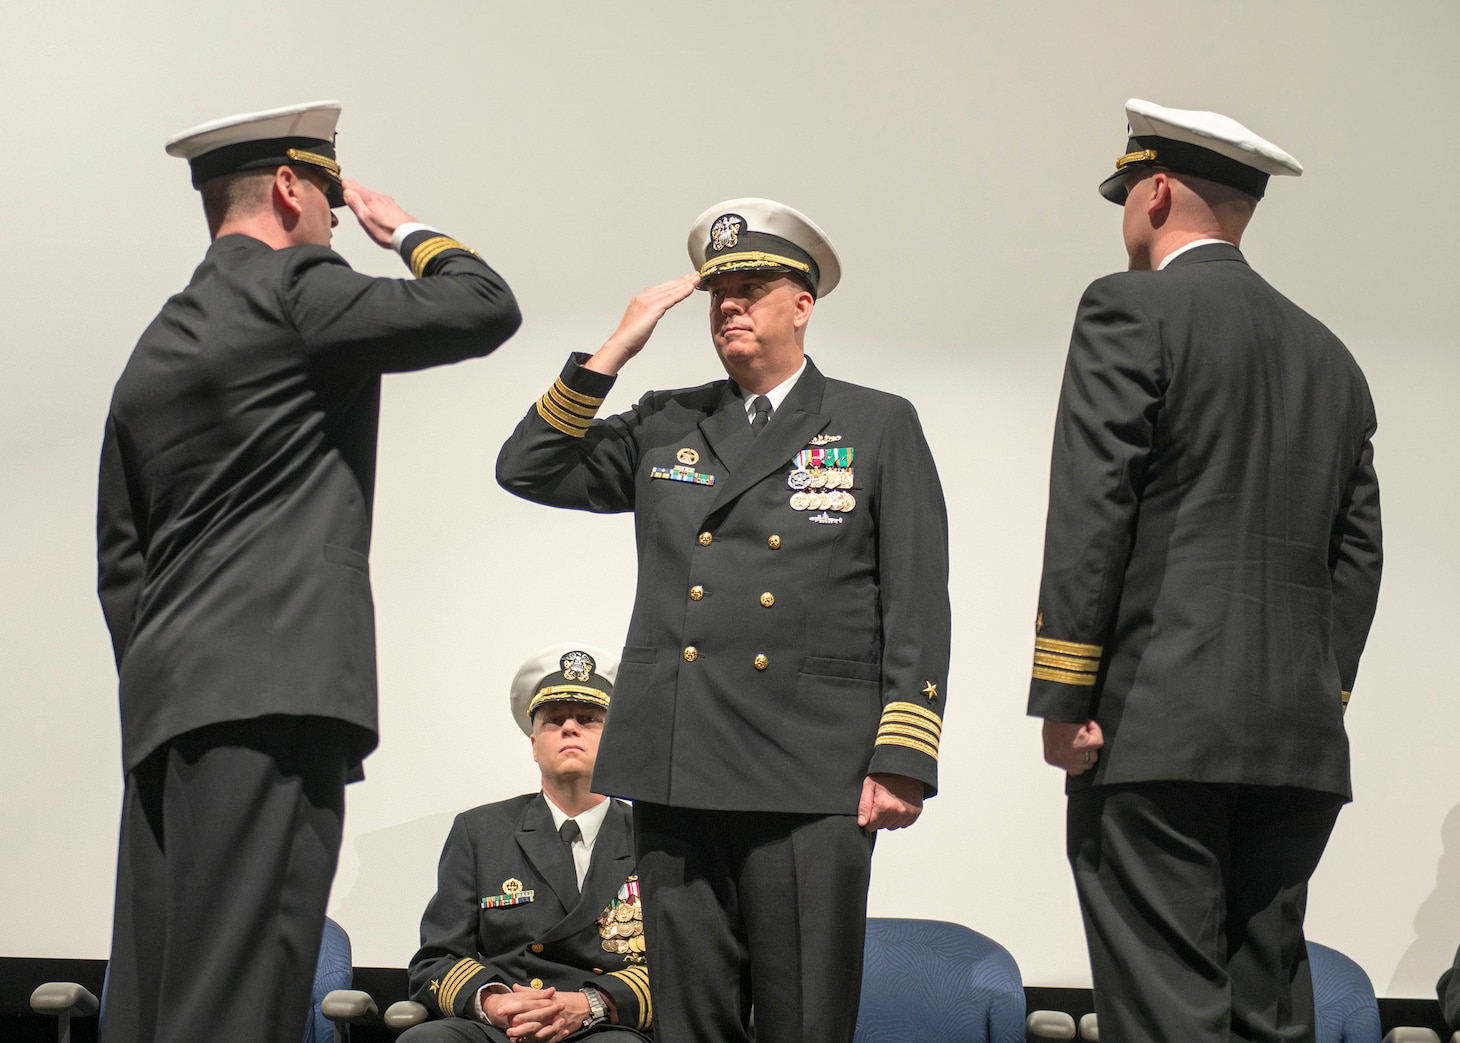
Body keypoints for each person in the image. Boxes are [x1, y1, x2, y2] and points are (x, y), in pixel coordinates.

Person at [96, 100, 521, 1043]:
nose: (337, 215)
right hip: (274, 690)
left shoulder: (156, 344)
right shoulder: (296, 286)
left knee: (160, 981)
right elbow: (485, 305)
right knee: (248, 979)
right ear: (290, 187)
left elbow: (120, 557)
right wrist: (407, 230)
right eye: (330, 193)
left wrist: (177, 667)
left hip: (169, 706)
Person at [495, 198, 950, 1043]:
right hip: (681, 765)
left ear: (802, 305)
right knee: (691, 1023)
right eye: (718, 293)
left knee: (804, 1020)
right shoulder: (667, 418)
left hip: (811, 773)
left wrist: (904, 754)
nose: (730, 305)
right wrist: (614, 351)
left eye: (751, 287)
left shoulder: (874, 422)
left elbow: (915, 598)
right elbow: (528, 467)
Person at [1027, 98, 1383, 1043]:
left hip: (1157, 729)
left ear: (1153, 192)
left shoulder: (1129, 305)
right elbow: (1358, 556)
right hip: (1297, 748)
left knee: (1166, 1013)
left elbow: (1093, 506)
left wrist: (1065, 692)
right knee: (1267, 1009)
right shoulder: (1332, 358)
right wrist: (1322, 690)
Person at [402, 644, 652, 1043]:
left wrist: (593, 1004)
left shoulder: (654, 836)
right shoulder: (480, 831)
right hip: (505, 1023)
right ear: (534, 744)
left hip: (606, 1022)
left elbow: (683, 963)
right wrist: (494, 1001)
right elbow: (436, 959)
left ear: (615, 740)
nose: (570, 728)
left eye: (588, 719)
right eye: (554, 721)